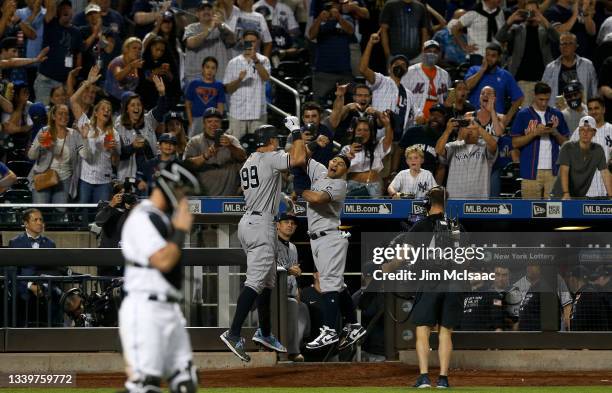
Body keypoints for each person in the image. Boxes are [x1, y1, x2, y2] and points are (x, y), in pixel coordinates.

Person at [220, 117, 306, 362]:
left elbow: (265, 184)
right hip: (261, 225)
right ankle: (234, 332)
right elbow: (298, 158)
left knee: (268, 281)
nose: (279, 144)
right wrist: (297, 131)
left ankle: (265, 332)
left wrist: (281, 197)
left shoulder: (249, 161)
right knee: (256, 282)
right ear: (269, 141)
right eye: (276, 140)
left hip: (250, 222)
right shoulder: (269, 157)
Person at [119, 160, 200, 393]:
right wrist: (182, 229)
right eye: (181, 189)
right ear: (169, 185)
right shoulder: (142, 216)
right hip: (145, 309)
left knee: (185, 382)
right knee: (145, 386)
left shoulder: (163, 218)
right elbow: (163, 261)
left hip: (170, 310)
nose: (183, 197)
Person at [301, 153, 366, 351]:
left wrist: (299, 190)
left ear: (345, 171)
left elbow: (318, 198)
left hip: (330, 237)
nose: (336, 163)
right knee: (336, 284)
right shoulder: (320, 172)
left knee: (329, 283)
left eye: (341, 164)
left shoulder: (340, 185)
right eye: (334, 160)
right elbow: (302, 158)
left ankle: (329, 330)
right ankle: (354, 326)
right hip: (317, 239)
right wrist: (297, 132)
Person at [409, 186, 463, 389]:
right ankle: (443, 379)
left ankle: (424, 377)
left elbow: (405, 255)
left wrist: (385, 268)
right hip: (454, 282)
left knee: (423, 329)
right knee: (445, 332)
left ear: (429, 203)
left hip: (431, 280)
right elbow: (465, 260)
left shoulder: (422, 225)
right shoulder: (455, 225)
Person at [511, 82, 570, 199]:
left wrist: (555, 132)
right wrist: (535, 133)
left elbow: (566, 144)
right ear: (534, 95)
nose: (544, 103)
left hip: (554, 171)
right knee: (528, 211)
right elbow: (515, 143)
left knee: (554, 211)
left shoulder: (557, 114)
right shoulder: (523, 114)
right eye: (541, 99)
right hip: (530, 172)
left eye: (547, 100)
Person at [71, 65, 120, 203]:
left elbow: (115, 162)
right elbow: (73, 100)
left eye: (109, 110)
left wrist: (114, 150)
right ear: (96, 112)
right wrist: (88, 83)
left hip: (104, 181)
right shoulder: (86, 125)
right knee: (84, 214)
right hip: (85, 179)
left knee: (100, 215)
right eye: (103, 109)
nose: (106, 111)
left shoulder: (114, 133)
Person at [496, 1, 559, 106]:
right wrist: (510, 20)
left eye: (533, 11)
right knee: (527, 115)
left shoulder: (545, 29)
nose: (530, 14)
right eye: (527, 11)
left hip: (544, 80)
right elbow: (500, 37)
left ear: (539, 12)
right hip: (523, 81)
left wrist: (542, 19)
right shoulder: (517, 29)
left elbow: (557, 39)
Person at [9, 208, 62, 327]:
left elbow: (54, 270)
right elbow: (13, 272)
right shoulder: (15, 243)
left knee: (56, 297)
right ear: (26, 224)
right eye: (35, 220)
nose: (39, 223)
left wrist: (44, 285)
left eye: (41, 220)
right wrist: (29, 286)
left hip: (45, 288)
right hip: (23, 289)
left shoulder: (50, 243)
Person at [360, 32, 417, 141]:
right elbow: (363, 69)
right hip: (376, 136)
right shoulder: (381, 81)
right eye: (396, 64)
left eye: (403, 65)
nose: (400, 66)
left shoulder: (408, 94)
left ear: (406, 71)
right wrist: (370, 43)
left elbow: (415, 116)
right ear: (389, 68)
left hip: (396, 140)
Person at [115, 76, 167, 186]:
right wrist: (133, 146)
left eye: (139, 104)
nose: (136, 108)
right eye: (133, 105)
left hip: (150, 173)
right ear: (127, 109)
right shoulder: (119, 125)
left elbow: (160, 110)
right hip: (128, 174)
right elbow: (118, 154)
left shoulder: (148, 120)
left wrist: (162, 94)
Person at [183, 107, 247, 196]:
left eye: (217, 121)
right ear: (204, 124)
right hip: (203, 199)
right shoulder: (195, 141)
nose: (213, 124)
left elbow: (243, 157)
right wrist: (205, 156)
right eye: (209, 121)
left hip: (228, 199)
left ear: (221, 124)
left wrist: (230, 146)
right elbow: (186, 166)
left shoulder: (231, 140)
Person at [28, 104, 83, 203]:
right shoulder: (44, 131)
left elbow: (83, 156)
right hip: (43, 176)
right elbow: (31, 156)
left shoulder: (74, 134)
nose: (64, 116)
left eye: (66, 114)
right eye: (60, 113)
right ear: (53, 116)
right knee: (40, 210)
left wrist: (84, 136)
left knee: (60, 214)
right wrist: (39, 144)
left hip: (65, 179)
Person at [223, 30, 271, 140]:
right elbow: (227, 89)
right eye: (247, 42)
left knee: (259, 147)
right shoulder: (233, 62)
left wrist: (255, 60)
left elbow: (266, 78)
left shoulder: (264, 60)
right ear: (242, 42)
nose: (250, 44)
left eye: (253, 41)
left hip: (258, 112)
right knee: (235, 146)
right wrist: (239, 80)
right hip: (238, 113)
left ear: (258, 42)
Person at [35, 0, 83, 106]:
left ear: (72, 11)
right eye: (62, 8)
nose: (65, 10)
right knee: (42, 112)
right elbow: (50, 4)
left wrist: (75, 75)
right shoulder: (50, 23)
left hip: (64, 82)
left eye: (68, 8)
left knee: (63, 113)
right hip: (46, 80)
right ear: (58, 11)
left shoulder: (77, 32)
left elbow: (78, 55)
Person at [551, 116, 612, 199]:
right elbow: (564, 170)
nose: (585, 133)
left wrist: (611, 195)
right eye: (582, 129)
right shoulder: (567, 147)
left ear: (594, 132)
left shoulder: (598, 150)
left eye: (589, 130)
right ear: (579, 132)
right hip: (560, 195)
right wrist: (566, 193)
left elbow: (605, 172)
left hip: (579, 196)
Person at [435, 118, 498, 198]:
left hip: (478, 199)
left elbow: (494, 145)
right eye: (466, 128)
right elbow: (438, 150)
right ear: (461, 130)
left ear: (479, 131)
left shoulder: (485, 146)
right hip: (454, 198)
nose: (470, 131)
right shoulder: (453, 146)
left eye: (473, 128)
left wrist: (478, 127)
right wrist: (448, 130)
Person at [464, 43, 523, 127]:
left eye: (493, 56)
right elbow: (467, 87)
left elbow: (519, 98)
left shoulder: (505, 75)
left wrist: (507, 118)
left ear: (499, 58)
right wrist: (482, 70)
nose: (489, 58)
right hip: (474, 119)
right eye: (487, 55)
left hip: (495, 121)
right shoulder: (474, 70)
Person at [307, 0, 354, 105]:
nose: (334, 6)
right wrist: (319, 19)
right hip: (323, 71)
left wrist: (339, 18)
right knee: (319, 104)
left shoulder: (346, 18)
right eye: (332, 4)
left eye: (337, 4)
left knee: (347, 104)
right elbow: (311, 35)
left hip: (344, 71)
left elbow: (350, 31)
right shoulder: (320, 20)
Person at [275, 213, 308, 362]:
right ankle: (277, 349)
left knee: (298, 307)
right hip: (271, 292)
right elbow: (267, 266)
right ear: (277, 225)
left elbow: (293, 272)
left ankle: (293, 350)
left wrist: (297, 290)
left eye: (293, 223)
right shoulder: (270, 243)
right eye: (286, 222)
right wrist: (289, 270)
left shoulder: (293, 247)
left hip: (288, 292)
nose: (290, 225)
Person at [183, 0, 236, 86]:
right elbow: (191, 43)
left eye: (209, 9)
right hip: (195, 79)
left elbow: (232, 40)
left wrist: (221, 25)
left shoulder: (222, 27)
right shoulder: (191, 28)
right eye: (202, 9)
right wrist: (210, 28)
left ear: (214, 13)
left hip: (218, 80)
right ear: (197, 14)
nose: (206, 11)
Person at [340, 113, 393, 197]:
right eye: (359, 130)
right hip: (352, 187)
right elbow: (339, 170)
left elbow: (388, 140)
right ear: (354, 132)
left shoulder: (377, 147)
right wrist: (350, 154)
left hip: (373, 187)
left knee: (376, 209)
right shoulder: (346, 149)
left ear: (370, 132)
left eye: (366, 130)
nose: (362, 133)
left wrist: (387, 125)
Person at [541, 33, 598, 107]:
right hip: (558, 110)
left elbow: (594, 90)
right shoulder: (550, 67)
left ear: (576, 46)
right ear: (559, 47)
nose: (566, 46)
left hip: (581, 110)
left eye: (570, 43)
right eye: (563, 44)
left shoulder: (587, 65)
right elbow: (542, 92)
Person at [400, 40, 450, 123]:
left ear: (439, 54)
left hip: (437, 121)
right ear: (423, 52)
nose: (432, 54)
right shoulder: (409, 72)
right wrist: (414, 114)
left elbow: (446, 99)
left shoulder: (445, 74)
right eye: (429, 51)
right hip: (413, 119)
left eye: (435, 52)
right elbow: (402, 97)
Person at [398, 104, 449, 182]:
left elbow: (441, 167)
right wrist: (394, 171)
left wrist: (436, 187)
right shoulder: (413, 131)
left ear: (444, 120)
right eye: (432, 115)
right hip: (405, 178)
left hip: (425, 182)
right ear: (428, 116)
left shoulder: (444, 140)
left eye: (439, 116)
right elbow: (399, 152)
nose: (435, 118)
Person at [451, 0, 505, 65]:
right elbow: (454, 29)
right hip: (478, 55)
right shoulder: (473, 13)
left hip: (496, 56)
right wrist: (464, 46)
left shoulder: (500, 12)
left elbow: (502, 31)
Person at [185, 56, 227, 138]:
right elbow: (188, 105)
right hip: (196, 119)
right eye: (207, 67)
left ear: (216, 70)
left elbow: (220, 107)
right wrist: (191, 122)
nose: (210, 70)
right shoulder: (194, 84)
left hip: (212, 121)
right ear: (202, 68)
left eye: (213, 68)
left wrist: (218, 123)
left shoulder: (219, 85)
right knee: (193, 145)